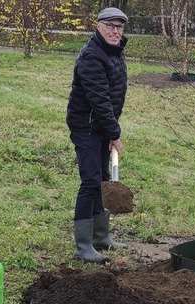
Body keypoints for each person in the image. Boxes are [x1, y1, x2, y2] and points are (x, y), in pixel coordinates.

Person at [66, 7, 130, 263]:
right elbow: (100, 100)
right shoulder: (92, 57)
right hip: (87, 127)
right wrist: (114, 133)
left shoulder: (113, 52)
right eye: (111, 26)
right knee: (90, 183)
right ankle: (83, 245)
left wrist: (110, 129)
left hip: (101, 127)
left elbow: (113, 94)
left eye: (120, 27)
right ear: (99, 27)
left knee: (103, 180)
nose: (116, 31)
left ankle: (101, 237)